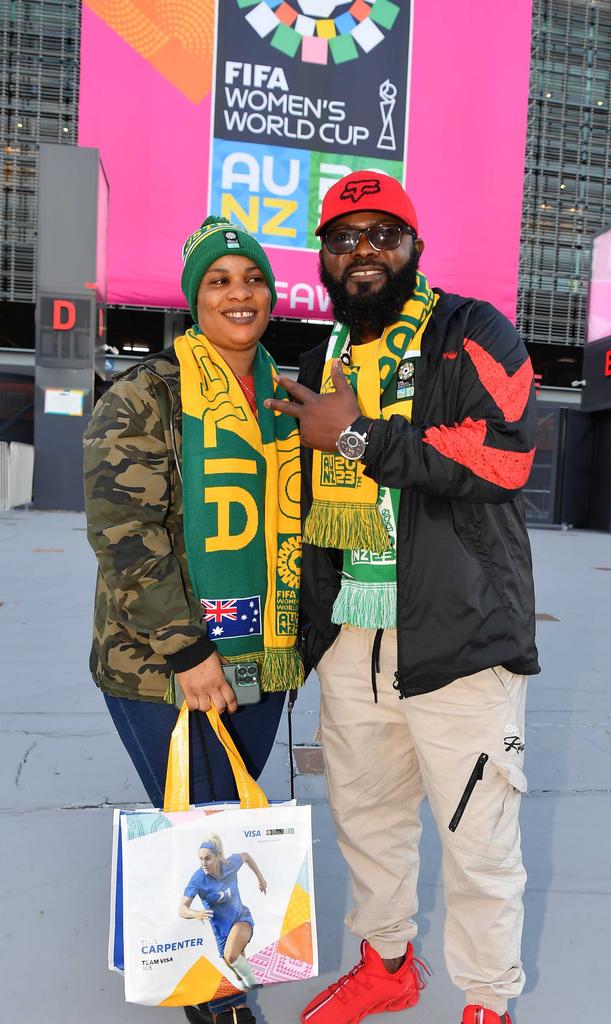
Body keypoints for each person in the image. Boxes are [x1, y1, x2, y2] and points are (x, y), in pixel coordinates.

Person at [264, 171, 539, 1024]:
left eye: (384, 234)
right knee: (368, 820)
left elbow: (502, 461)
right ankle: (387, 964)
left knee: (478, 838)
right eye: (345, 238)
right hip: (354, 633)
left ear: (415, 248)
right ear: (325, 258)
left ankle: (488, 1003)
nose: (365, 251)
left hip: (460, 635)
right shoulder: (320, 360)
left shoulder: (472, 331)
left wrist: (354, 433)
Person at [84, 216, 304, 1024]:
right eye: (219, 280)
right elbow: (122, 534)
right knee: (198, 828)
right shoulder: (146, 393)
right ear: (193, 298)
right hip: (162, 668)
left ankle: (218, 982)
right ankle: (217, 1004)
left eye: (251, 278)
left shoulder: (286, 397)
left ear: (271, 295)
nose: (238, 293)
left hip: (263, 662)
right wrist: (185, 652)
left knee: (228, 827)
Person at [180, 835, 267, 990]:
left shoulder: (230, 864)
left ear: (218, 857)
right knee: (238, 972)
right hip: (221, 930)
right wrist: (196, 913)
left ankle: (256, 987)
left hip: (240, 918)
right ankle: (248, 992)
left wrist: (260, 878)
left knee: (231, 956)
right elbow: (182, 909)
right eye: (200, 859)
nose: (203, 864)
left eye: (207, 858)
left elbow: (246, 856)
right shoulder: (198, 879)